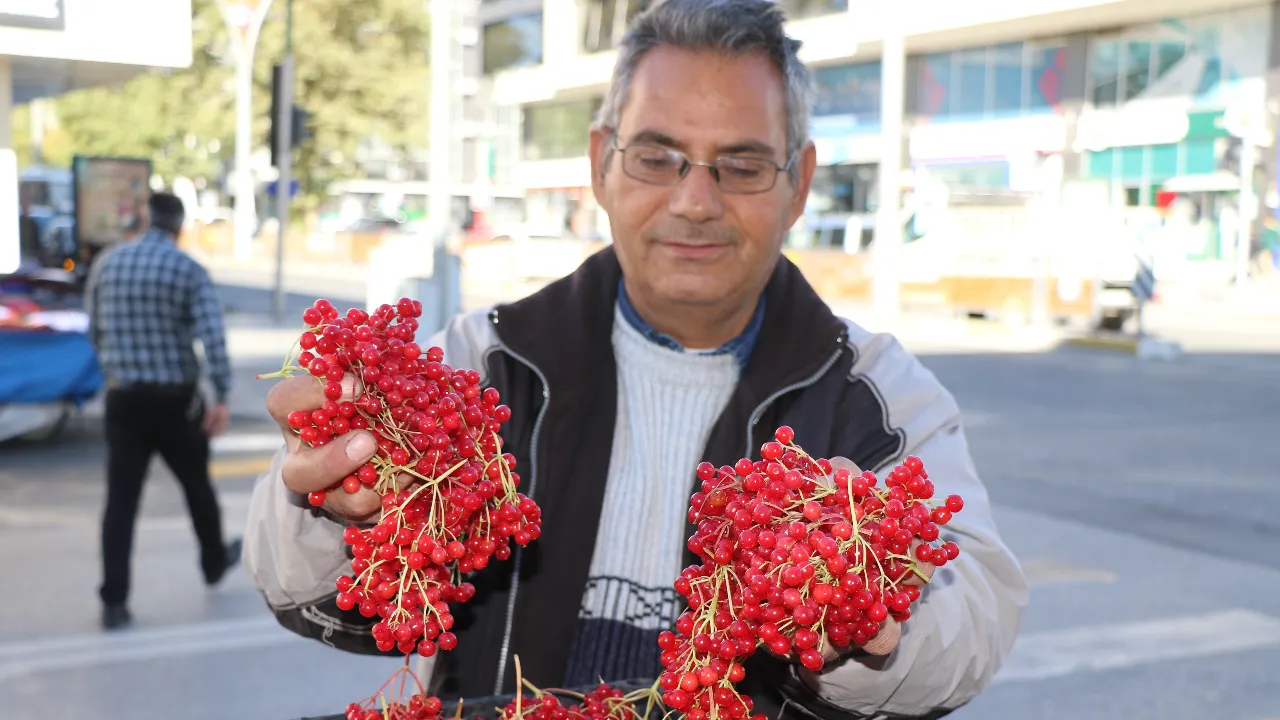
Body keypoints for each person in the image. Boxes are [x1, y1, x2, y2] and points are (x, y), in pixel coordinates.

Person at [243, 2, 1027, 717]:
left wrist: (870, 616)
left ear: (799, 186)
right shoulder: (478, 366)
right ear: (601, 164)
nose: (695, 201)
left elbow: (974, 614)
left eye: (742, 166)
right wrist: (328, 500)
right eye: (657, 157)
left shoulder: (877, 396)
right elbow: (304, 592)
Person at [86, 191, 241, 631]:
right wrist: (221, 394)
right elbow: (212, 337)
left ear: (145, 218)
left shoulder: (108, 263)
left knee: (121, 501)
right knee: (197, 487)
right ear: (179, 226)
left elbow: (94, 329)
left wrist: (114, 370)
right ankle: (213, 562)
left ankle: (114, 600)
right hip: (176, 402)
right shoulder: (188, 269)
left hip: (124, 398)